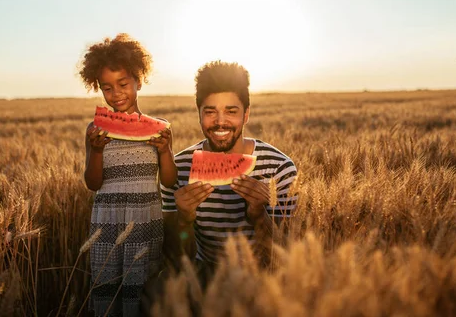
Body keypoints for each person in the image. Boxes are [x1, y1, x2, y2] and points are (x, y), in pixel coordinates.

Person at [160, 60, 297, 277]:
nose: (220, 122)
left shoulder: (280, 168)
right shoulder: (177, 168)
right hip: (205, 282)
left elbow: (284, 252)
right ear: (199, 114)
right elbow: (173, 255)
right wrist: (184, 219)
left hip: (265, 284)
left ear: (246, 114)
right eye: (210, 112)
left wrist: (259, 216)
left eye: (231, 111)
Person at [79, 33, 177, 317]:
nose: (116, 93)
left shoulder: (159, 128)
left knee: (142, 293)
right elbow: (92, 183)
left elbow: (169, 181)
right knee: (108, 292)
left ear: (139, 81)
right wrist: (96, 151)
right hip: (106, 223)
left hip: (145, 221)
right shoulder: (94, 130)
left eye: (123, 84)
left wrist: (165, 149)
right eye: (107, 88)